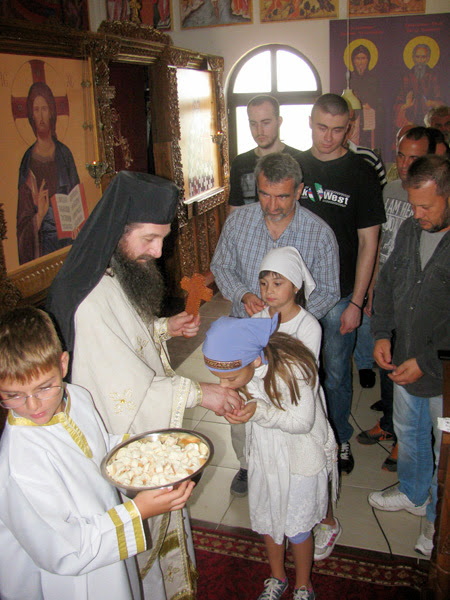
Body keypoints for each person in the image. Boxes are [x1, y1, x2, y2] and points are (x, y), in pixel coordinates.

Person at [47, 171, 241, 600]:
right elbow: (124, 394)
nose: (157, 252)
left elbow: (126, 340)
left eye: (163, 239)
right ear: (118, 231)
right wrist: (201, 392)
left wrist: (162, 328)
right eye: (149, 239)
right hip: (117, 446)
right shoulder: (89, 299)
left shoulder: (111, 271)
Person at [0, 307, 195, 600]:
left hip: (105, 538)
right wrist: (137, 512)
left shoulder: (77, 397)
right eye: (13, 395)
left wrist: (152, 454)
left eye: (44, 388)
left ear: (63, 364)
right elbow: (64, 551)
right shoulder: (19, 463)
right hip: (69, 579)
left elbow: (99, 447)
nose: (33, 405)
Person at [210, 152, 340, 496]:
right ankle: (246, 463)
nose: (272, 205)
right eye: (265, 194)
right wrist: (243, 295)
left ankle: (297, 467)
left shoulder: (318, 232)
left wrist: (290, 315)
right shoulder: (239, 222)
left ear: (298, 190)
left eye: (282, 196)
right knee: (243, 395)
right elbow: (221, 266)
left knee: (289, 402)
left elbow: (330, 290)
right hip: (246, 334)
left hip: (292, 342)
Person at [202, 315, 337, 600]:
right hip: (266, 457)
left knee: (297, 529)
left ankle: (303, 585)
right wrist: (236, 408)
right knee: (268, 519)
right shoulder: (243, 370)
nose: (224, 385)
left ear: (254, 360)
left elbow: (302, 423)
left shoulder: (293, 370)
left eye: (230, 378)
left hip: (299, 458)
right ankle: (278, 577)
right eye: (219, 378)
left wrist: (258, 411)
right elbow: (249, 404)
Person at [299, 93, 386, 476]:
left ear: (349, 127)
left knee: (335, 372)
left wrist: (357, 301)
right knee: (299, 370)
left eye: (337, 130)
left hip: (340, 295)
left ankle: (338, 438)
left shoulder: (361, 172)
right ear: (310, 122)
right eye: (322, 127)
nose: (328, 137)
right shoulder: (295, 166)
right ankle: (305, 436)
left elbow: (370, 242)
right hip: (296, 293)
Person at [369, 155, 450, 557]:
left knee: (444, 450)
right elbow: (386, 284)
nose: (417, 214)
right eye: (413, 205)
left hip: (443, 374)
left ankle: (438, 520)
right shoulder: (409, 229)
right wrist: (382, 333)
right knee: (410, 434)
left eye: (426, 206)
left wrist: (427, 361)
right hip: (404, 360)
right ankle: (415, 494)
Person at [253, 246, 343, 559]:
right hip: (267, 410)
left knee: (305, 471)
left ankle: (322, 521)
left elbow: (299, 375)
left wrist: (258, 366)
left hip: (298, 408)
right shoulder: (258, 319)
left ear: (295, 286)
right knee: (274, 477)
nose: (269, 290)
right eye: (264, 283)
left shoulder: (308, 326)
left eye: (277, 283)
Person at [357, 126, 435, 471]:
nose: (404, 165)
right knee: (387, 360)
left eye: (414, 158)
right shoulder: (388, 190)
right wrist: (372, 288)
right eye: (401, 156)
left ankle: (407, 439)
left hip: (416, 301)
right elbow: (377, 243)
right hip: (388, 293)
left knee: (410, 368)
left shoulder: (436, 202)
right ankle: (389, 424)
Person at [17, 81, 80, 264]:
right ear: (31, 115)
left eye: (44, 108)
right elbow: (23, 220)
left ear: (51, 112)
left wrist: (77, 224)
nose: (41, 115)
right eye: (36, 110)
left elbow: (76, 197)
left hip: (69, 240)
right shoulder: (27, 160)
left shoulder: (64, 154)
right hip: (44, 243)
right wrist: (39, 215)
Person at [228, 95, 302, 210]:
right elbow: (234, 210)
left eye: (266, 123)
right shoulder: (240, 163)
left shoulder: (299, 160)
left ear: (279, 121)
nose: (259, 131)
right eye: (253, 124)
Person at [394, 43, 443, 131]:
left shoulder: (433, 76)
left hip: (429, 117)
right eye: (417, 57)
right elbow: (398, 100)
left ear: (428, 58)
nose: (420, 61)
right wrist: (405, 105)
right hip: (410, 117)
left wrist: (432, 103)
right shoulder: (407, 76)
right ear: (413, 58)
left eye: (423, 57)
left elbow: (440, 99)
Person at [348, 44, 384, 150]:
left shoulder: (374, 80)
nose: (360, 62)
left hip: (370, 121)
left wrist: (372, 106)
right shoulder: (349, 80)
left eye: (363, 58)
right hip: (355, 121)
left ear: (368, 60)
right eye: (358, 58)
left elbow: (380, 101)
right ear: (353, 61)